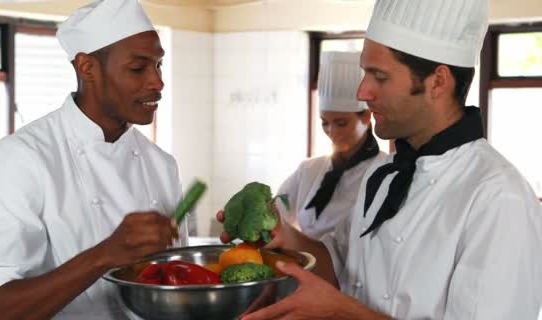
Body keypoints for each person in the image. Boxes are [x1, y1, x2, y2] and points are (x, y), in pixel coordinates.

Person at [220, 0, 542, 319]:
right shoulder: (385, 173)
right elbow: (341, 265)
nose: (362, 91)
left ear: (438, 82)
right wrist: (284, 236)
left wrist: (342, 313)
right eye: (365, 73)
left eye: (380, 76)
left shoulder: (499, 199)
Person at [0, 0, 189, 319]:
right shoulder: (20, 159)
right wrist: (104, 256)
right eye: (138, 68)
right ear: (87, 68)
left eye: (159, 66)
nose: (157, 82)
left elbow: (175, 285)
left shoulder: (161, 165)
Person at [277, 51, 385, 240]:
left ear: (366, 117)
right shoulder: (309, 170)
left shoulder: (384, 172)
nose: (332, 131)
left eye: (341, 123)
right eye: (324, 122)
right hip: (303, 266)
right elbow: (275, 215)